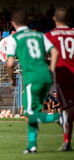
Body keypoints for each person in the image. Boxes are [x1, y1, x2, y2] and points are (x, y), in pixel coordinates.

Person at [6, 9, 60, 154]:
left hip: (32, 78)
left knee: (29, 114)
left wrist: (11, 79)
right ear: (27, 21)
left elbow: (10, 63)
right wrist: (52, 70)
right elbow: (54, 52)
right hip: (46, 76)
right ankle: (32, 145)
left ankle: (59, 117)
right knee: (34, 112)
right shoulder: (40, 35)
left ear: (13, 23)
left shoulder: (14, 38)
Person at [46, 6, 74, 151]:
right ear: (68, 19)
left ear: (54, 19)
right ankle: (67, 142)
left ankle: (66, 141)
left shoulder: (50, 35)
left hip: (63, 76)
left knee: (66, 111)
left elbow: (43, 54)